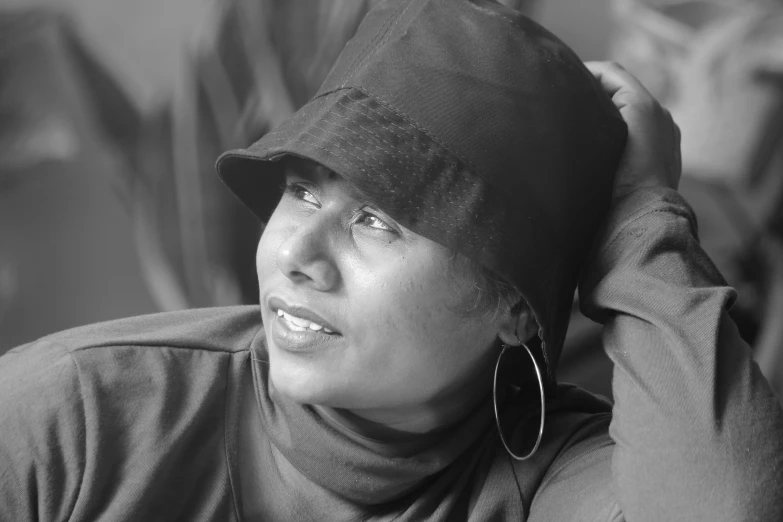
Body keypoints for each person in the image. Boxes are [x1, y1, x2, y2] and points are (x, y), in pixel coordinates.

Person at [1, 0, 782, 520]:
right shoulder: (72, 414)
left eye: (378, 219)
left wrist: (644, 210)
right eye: (302, 191)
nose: (295, 255)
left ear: (513, 305)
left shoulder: (557, 481)